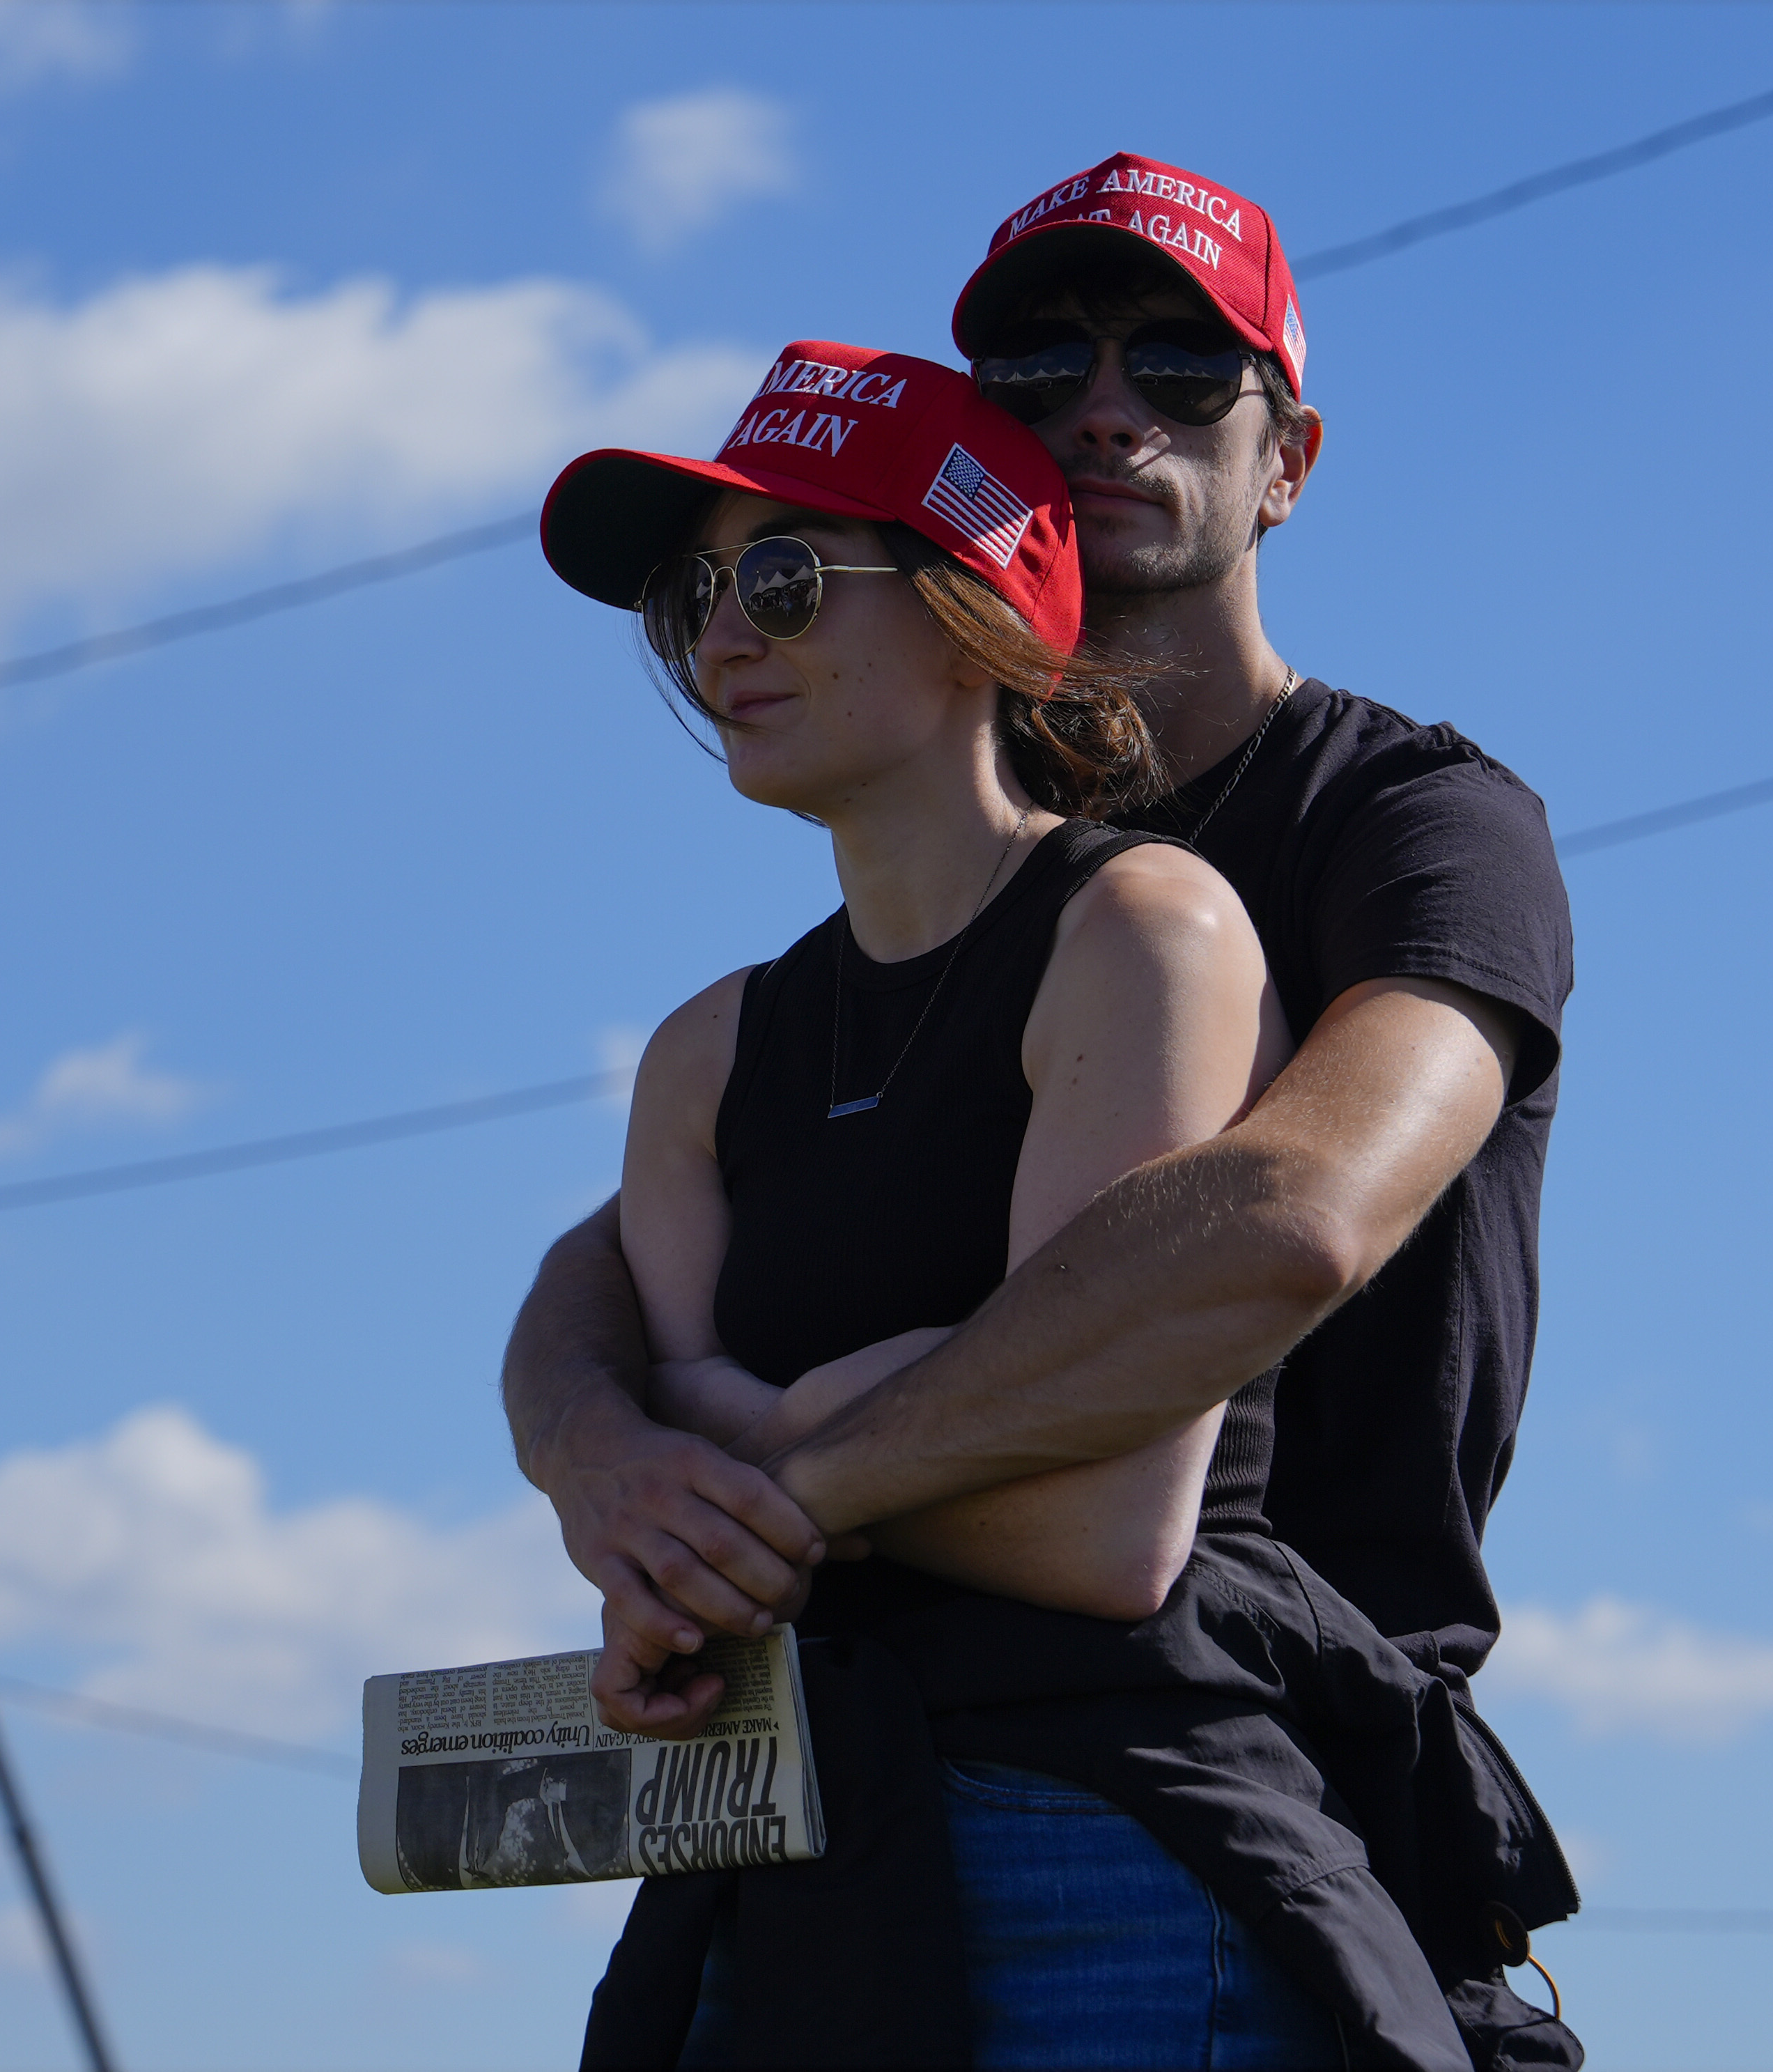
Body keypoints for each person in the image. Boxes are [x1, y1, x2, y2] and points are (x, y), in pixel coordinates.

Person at [509, 155, 1581, 2067]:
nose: (1099, 404)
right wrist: (601, 1454)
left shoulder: (1410, 827)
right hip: (838, 1786)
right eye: (1029, 365)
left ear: (1288, 458)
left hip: (1232, 1745)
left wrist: (764, 1497)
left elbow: (1278, 1218)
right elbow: (596, 1267)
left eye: (1180, 364)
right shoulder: (872, 921)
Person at [541, 337, 1340, 2064]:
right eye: (694, 597)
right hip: (778, 1860)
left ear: (977, 606)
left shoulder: (1142, 929)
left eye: (781, 578)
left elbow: (1106, 1533)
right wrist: (923, 1402)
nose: (725, 636)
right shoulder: (704, 1051)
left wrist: (780, 1425)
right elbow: (687, 1554)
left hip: (1100, 1854)